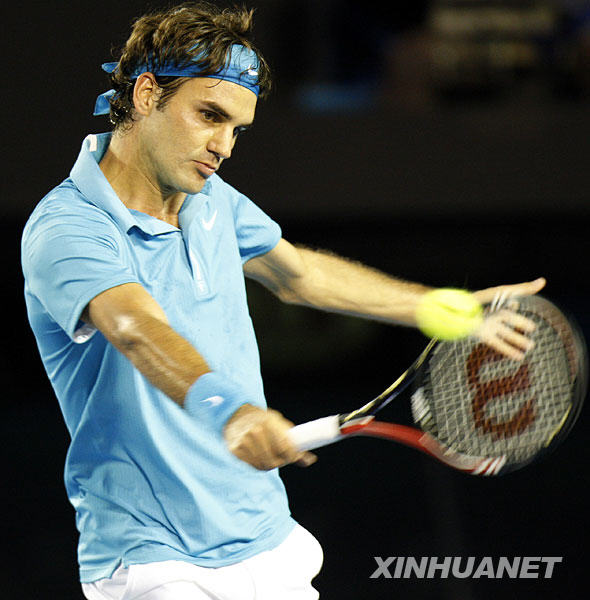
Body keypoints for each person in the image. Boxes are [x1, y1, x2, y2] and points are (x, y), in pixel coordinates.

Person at [21, 3, 545, 599]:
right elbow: (135, 326)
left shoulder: (210, 198)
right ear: (145, 95)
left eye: (236, 129)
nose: (223, 146)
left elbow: (298, 275)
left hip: (265, 542)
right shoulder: (67, 228)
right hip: (157, 562)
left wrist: (441, 307)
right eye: (209, 116)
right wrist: (233, 412)